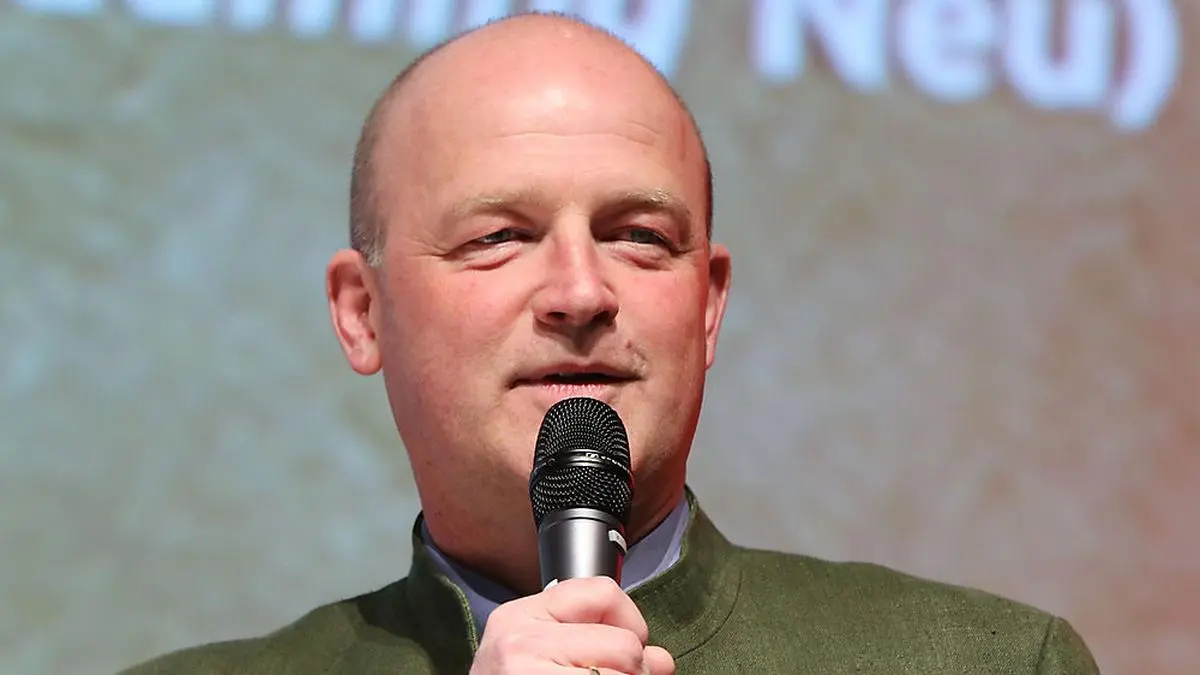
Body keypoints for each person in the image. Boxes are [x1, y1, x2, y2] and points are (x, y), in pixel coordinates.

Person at [119, 11, 1100, 675]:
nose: (581, 292)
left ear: (708, 305)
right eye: (499, 237)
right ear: (362, 313)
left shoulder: (986, 662)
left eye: (639, 237)